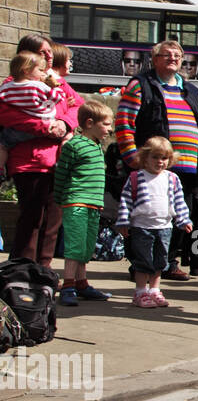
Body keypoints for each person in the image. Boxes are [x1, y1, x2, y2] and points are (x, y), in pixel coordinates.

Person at [114, 40, 198, 280]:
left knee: (178, 218)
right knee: (144, 219)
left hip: (187, 168)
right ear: (154, 59)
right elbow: (124, 122)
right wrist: (131, 157)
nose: (173, 59)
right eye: (167, 55)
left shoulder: (191, 91)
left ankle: (168, 263)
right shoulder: (140, 86)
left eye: (178, 56)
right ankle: (141, 266)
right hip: (151, 167)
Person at [0, 35, 78, 266]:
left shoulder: (55, 81)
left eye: (50, 52)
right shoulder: (13, 84)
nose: (49, 56)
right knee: (32, 219)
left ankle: (43, 273)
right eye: (43, 53)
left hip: (57, 159)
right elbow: (6, 116)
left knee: (52, 223)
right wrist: (45, 127)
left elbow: (77, 107)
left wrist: (65, 125)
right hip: (29, 160)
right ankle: (21, 273)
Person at [115, 137, 192, 308]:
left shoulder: (172, 178)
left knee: (160, 261)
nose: (160, 162)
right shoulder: (137, 177)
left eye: (164, 158)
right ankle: (140, 291)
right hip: (142, 227)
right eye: (155, 157)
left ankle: (154, 290)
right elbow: (126, 202)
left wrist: (183, 219)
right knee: (143, 261)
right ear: (145, 158)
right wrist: (123, 222)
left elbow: (179, 201)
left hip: (164, 227)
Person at [52, 100, 115, 306]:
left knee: (86, 247)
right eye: (105, 124)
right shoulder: (75, 145)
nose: (110, 129)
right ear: (89, 123)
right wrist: (60, 199)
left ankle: (81, 283)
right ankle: (68, 285)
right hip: (76, 202)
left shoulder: (97, 146)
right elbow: (61, 173)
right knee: (75, 246)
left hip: (93, 205)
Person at [0, 51, 66, 177]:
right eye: (41, 70)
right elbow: (57, 97)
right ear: (26, 71)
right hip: (47, 122)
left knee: (3, 145)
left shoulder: (6, 87)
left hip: (19, 130)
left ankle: (1, 169)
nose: (44, 73)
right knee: (67, 137)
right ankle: (61, 163)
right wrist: (56, 87)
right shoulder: (38, 86)